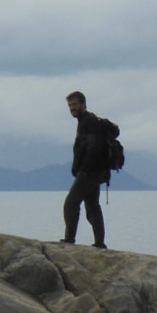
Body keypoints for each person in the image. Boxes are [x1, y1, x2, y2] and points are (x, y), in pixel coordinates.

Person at [61, 90, 109, 248]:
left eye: (74, 104)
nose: (72, 108)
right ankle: (100, 243)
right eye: (70, 105)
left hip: (90, 172)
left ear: (83, 104)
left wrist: (84, 170)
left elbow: (92, 148)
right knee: (92, 205)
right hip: (96, 171)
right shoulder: (85, 121)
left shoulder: (88, 121)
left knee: (71, 203)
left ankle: (69, 239)